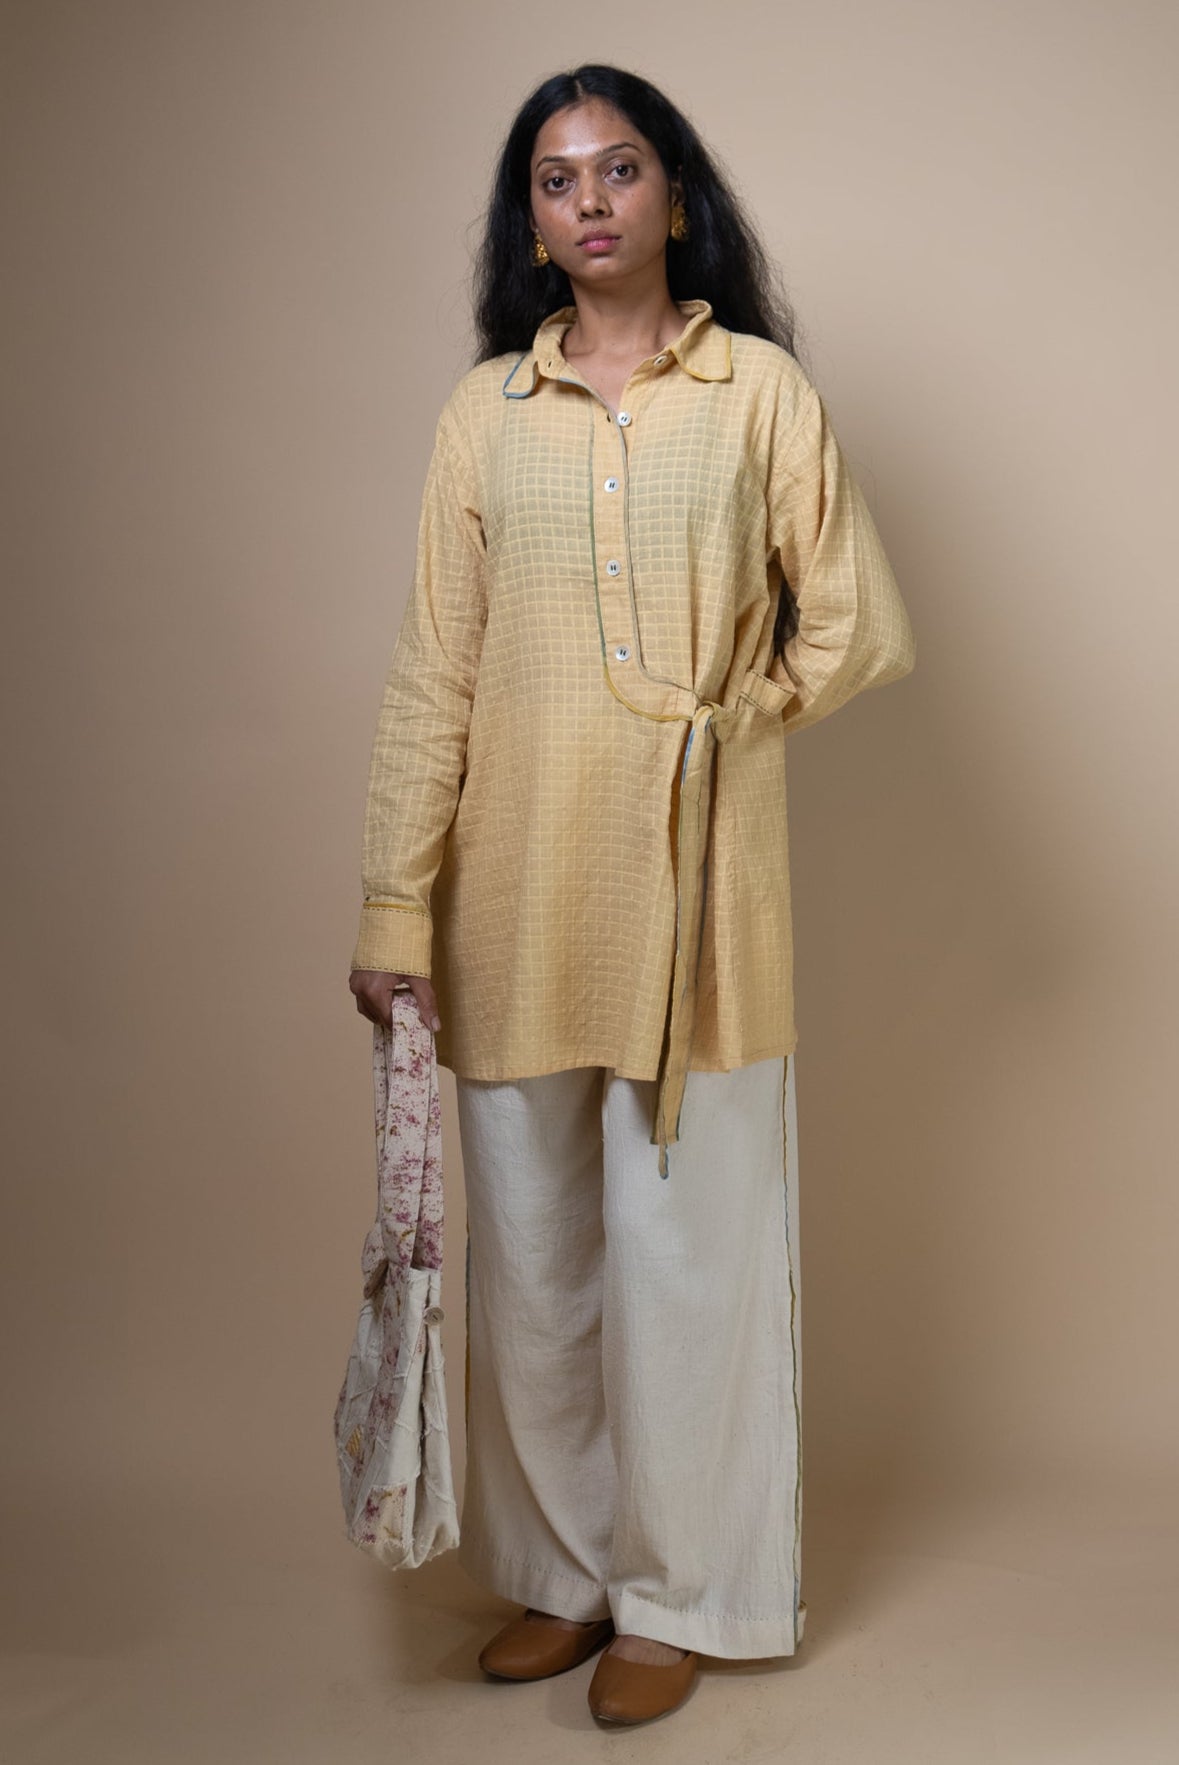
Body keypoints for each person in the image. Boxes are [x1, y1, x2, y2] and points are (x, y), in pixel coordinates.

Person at [348, 63, 916, 1728]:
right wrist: (394, 905)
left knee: (690, 1263)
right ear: (529, 222)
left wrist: (735, 722)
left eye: (619, 168)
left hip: (703, 900)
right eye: (556, 178)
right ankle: (565, 1576)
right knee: (532, 1263)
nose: (590, 199)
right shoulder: (484, 414)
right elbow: (432, 675)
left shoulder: (759, 393)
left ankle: (681, 1591)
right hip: (512, 895)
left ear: (676, 195)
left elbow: (855, 618)